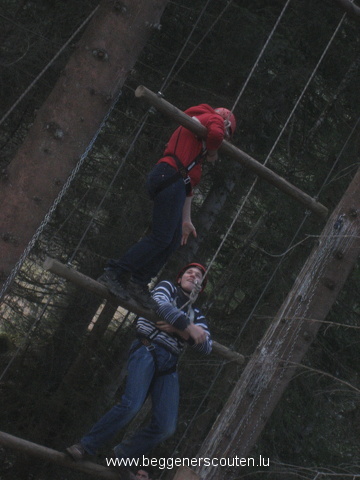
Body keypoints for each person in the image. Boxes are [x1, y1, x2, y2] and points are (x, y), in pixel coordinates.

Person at [66, 263, 212, 465]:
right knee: (131, 405)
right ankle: (85, 445)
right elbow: (160, 305)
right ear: (180, 278)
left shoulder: (197, 314)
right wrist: (188, 327)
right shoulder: (168, 287)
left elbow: (206, 346)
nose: (193, 276)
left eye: (198, 276)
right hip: (148, 347)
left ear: (200, 287)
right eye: (189, 272)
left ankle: (121, 456)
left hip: (169, 363)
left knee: (166, 426)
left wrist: (177, 329)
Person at [98, 105, 236, 309]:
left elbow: (188, 187)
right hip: (169, 177)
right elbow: (215, 135)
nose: (223, 140)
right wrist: (214, 151)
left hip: (173, 181)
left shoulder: (195, 147)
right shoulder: (213, 119)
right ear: (225, 125)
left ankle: (139, 283)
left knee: (171, 241)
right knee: (160, 237)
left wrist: (186, 220)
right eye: (227, 136)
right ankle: (114, 272)